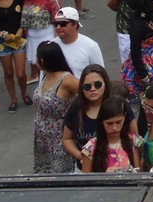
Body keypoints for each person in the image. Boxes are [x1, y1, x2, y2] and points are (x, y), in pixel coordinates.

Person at [63, 64, 138, 170]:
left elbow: (134, 136)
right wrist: (84, 156)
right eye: (87, 86)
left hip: (120, 167)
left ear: (105, 84)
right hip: (85, 167)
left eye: (97, 84)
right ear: (82, 88)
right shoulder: (77, 107)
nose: (93, 89)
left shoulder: (119, 104)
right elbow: (67, 138)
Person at [33, 41, 79, 174]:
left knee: (61, 173)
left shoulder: (67, 80)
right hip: (43, 139)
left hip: (60, 137)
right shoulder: (45, 75)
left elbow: (87, 93)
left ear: (41, 60)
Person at [20, 0, 61, 82]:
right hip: (32, 38)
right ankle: (41, 89)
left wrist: (57, 39)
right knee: (38, 66)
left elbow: (58, 18)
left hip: (47, 37)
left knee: (49, 68)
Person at [81, 97, 141, 173]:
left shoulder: (133, 141)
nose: (114, 128)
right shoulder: (91, 147)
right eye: (109, 123)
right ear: (102, 121)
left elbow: (138, 174)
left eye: (119, 122)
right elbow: (85, 181)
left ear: (125, 118)